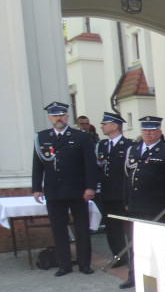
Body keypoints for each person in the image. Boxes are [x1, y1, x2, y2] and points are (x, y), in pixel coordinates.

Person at [30, 101, 99, 276]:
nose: (58, 118)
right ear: (49, 118)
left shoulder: (81, 136)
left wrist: (90, 186)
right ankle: (64, 265)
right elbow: (38, 164)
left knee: (82, 228)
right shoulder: (42, 137)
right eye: (54, 115)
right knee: (58, 229)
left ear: (67, 116)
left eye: (61, 115)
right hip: (54, 190)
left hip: (78, 190)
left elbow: (90, 164)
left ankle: (84, 264)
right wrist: (36, 188)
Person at [120, 116, 165, 289]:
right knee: (136, 242)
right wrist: (126, 201)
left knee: (157, 245)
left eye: (152, 130)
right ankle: (134, 276)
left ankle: (157, 278)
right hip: (136, 205)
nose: (148, 133)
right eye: (145, 130)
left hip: (158, 206)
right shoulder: (134, 150)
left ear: (159, 132)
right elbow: (126, 177)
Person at [97, 112, 131, 267]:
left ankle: (134, 257)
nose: (102, 126)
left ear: (115, 126)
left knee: (129, 226)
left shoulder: (128, 145)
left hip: (122, 192)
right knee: (111, 227)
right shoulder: (101, 146)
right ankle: (119, 257)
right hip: (106, 192)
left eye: (105, 123)